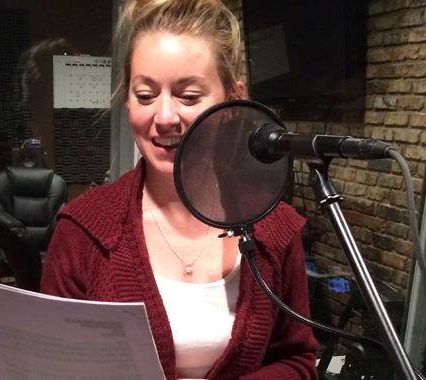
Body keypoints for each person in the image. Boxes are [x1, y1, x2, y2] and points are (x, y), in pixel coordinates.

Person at [40, 1, 318, 380]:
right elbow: (52, 364)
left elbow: (298, 362)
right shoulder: (82, 231)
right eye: (145, 95)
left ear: (232, 101)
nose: (165, 117)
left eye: (188, 96)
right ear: (127, 100)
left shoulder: (274, 229)